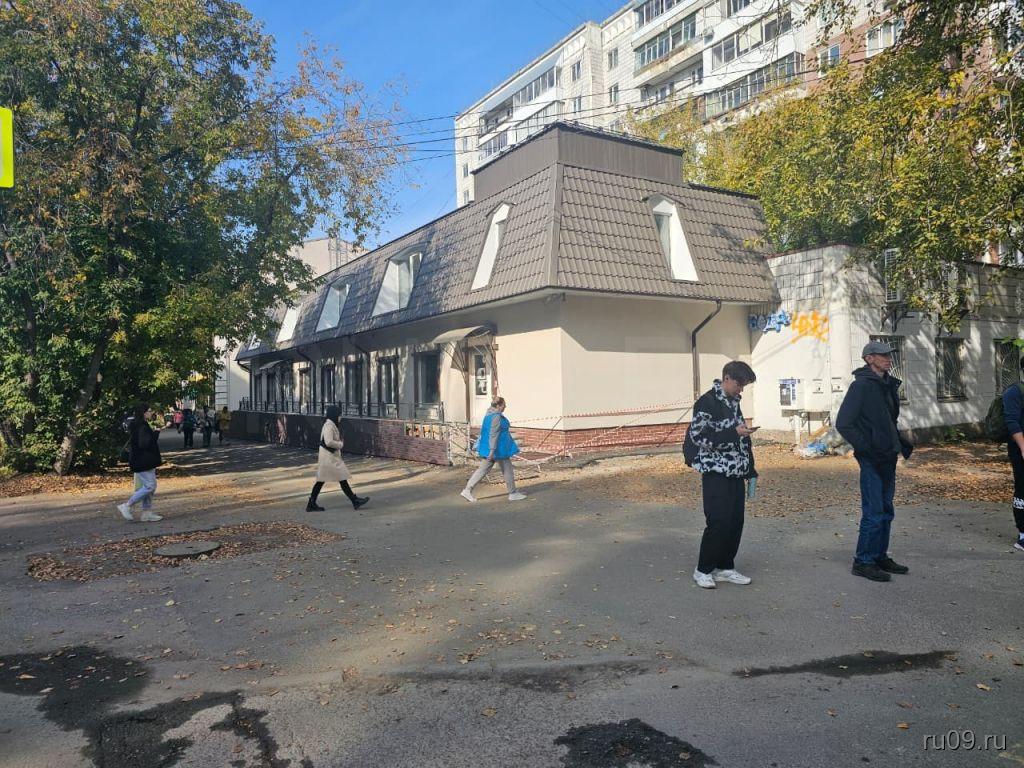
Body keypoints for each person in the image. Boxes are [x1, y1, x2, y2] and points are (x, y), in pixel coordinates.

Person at [836, 340, 914, 582]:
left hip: (888, 456)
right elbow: (844, 423)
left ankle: (879, 555)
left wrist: (898, 442)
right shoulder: (861, 386)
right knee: (874, 511)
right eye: (883, 355)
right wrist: (867, 448)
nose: (888, 359)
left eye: (889, 355)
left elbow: (887, 421)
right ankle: (863, 561)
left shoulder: (887, 384)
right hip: (872, 458)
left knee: (886, 509)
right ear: (869, 359)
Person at [684, 361, 758, 589]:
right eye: (739, 384)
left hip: (736, 470)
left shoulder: (735, 403)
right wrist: (733, 433)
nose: (741, 389)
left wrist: (750, 468)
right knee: (718, 521)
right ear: (726, 378)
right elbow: (699, 436)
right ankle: (703, 570)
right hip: (715, 471)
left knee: (735, 521)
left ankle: (725, 567)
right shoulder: (707, 402)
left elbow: (741, 439)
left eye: (744, 385)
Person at [461, 396, 527, 503]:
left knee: (483, 469)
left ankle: (467, 490)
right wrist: (492, 451)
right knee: (507, 469)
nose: (505, 406)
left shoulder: (489, 415)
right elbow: (493, 434)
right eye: (504, 405)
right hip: (498, 449)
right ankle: (513, 493)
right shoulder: (496, 417)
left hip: (493, 448)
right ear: (498, 406)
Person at [306, 405, 369, 511]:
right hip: (329, 458)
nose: (340, 417)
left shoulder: (330, 425)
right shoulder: (329, 426)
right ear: (334, 415)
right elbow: (328, 442)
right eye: (339, 415)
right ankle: (354, 500)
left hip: (329, 457)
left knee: (327, 480)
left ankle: (311, 504)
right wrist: (340, 444)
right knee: (339, 478)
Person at [117, 403, 163, 522]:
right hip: (142, 460)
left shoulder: (139, 424)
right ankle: (127, 505)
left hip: (144, 460)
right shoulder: (141, 426)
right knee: (150, 486)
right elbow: (145, 443)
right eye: (150, 411)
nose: (151, 413)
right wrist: (156, 433)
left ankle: (147, 512)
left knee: (150, 486)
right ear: (144, 412)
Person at [1001, 359, 1024, 552]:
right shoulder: (1014, 392)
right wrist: (1023, 447)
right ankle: (1023, 535)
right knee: (1023, 489)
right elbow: (1011, 421)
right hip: (1019, 449)